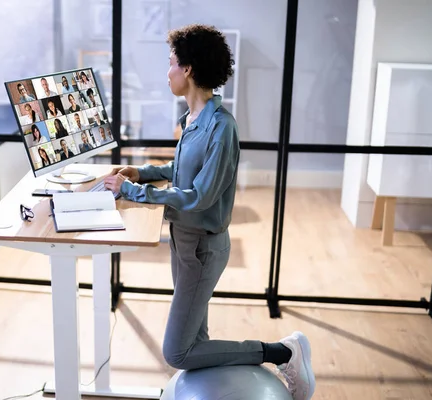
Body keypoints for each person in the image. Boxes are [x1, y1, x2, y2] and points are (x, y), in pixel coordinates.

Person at [103, 24, 315, 400]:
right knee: (194, 340)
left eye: (170, 63)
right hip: (183, 242)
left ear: (187, 69)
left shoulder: (221, 128)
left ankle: (282, 351)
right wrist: (143, 173)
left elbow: (200, 195)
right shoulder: (191, 121)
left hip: (203, 248)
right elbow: (181, 172)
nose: (166, 71)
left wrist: (134, 191)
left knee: (177, 351)